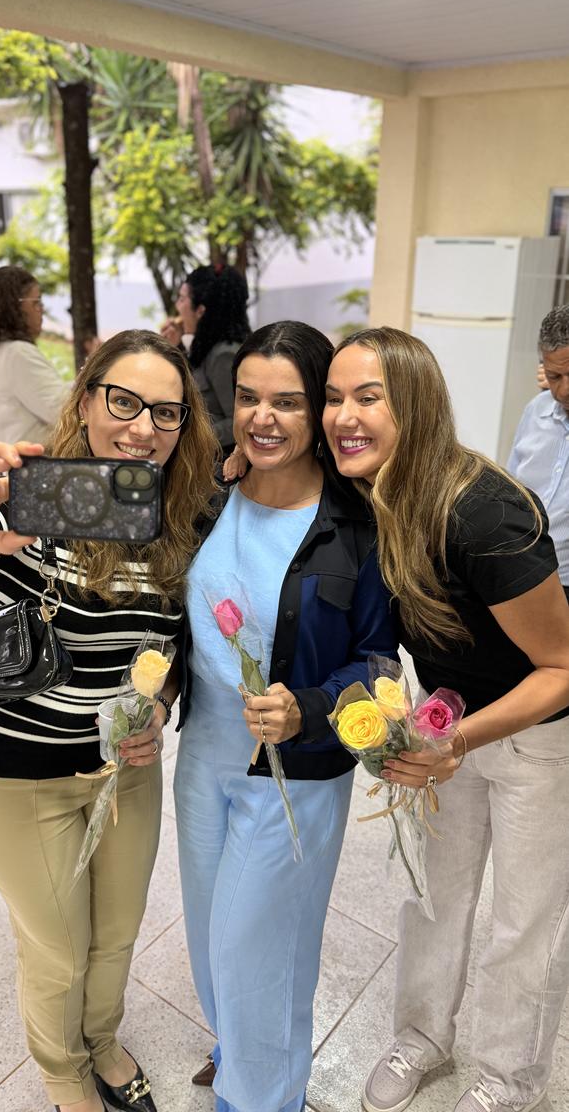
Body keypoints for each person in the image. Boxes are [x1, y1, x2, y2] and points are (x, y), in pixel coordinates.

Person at [0, 330, 218, 1112]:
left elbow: (171, 646)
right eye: (124, 402)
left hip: (121, 773)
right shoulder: (20, 498)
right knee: (61, 949)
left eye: (166, 412)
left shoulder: (179, 520)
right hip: (8, 776)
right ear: (85, 400)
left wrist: (159, 706)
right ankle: (63, 1071)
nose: (142, 427)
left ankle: (100, 1042)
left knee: (117, 935)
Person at [321, 327, 569, 1112]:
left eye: (368, 397)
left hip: (536, 734)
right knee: (433, 895)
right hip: (445, 720)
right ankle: (422, 1037)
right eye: (333, 397)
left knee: (524, 920)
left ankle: (508, 1077)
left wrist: (455, 740)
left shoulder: (481, 514)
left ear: (415, 406)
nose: (343, 416)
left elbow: (561, 667)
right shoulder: (370, 495)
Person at [174, 321, 397, 1112]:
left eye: (288, 403)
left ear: (319, 413)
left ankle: (263, 1098)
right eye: (247, 398)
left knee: (261, 951)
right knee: (210, 932)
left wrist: (306, 707)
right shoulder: (206, 497)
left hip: (292, 777)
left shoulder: (355, 526)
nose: (261, 418)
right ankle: (237, 1049)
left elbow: (377, 662)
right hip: (202, 759)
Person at [0, 264, 71, 451]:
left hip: (9, 459)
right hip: (35, 461)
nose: (41, 310)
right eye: (36, 302)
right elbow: (65, 413)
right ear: (13, 308)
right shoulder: (17, 354)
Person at [509, 305, 569, 600]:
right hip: (520, 574)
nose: (564, 391)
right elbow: (510, 493)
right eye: (554, 376)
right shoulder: (536, 410)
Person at [161, 263, 250, 454]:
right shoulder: (203, 348)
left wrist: (188, 436)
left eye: (182, 299)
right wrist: (174, 347)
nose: (177, 306)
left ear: (200, 310)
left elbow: (239, 421)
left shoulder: (224, 355)